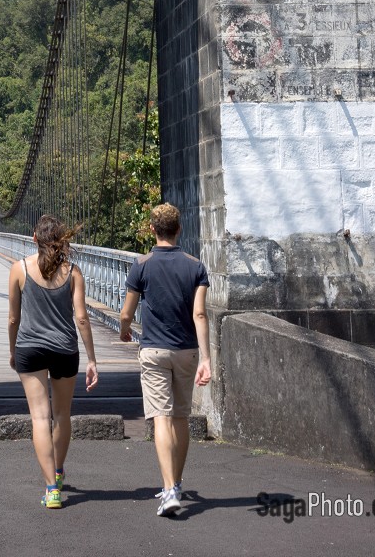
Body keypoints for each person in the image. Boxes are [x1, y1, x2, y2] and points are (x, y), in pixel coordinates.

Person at [119, 202, 211, 517]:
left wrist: (124, 330)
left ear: (152, 229)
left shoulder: (141, 265)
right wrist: (207, 358)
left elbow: (127, 313)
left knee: (161, 416)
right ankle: (177, 483)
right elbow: (199, 313)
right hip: (187, 351)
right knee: (181, 417)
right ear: (179, 229)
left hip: (154, 350)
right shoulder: (195, 266)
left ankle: (169, 489)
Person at [7, 214, 99, 508]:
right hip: (64, 350)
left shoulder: (18, 269)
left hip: (29, 349)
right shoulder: (73, 272)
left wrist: (13, 350)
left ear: (34, 238)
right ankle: (58, 472)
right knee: (62, 416)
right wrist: (92, 359)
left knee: (39, 418)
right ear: (61, 240)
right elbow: (82, 318)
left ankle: (52, 490)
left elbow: (13, 318)